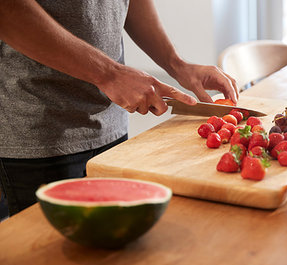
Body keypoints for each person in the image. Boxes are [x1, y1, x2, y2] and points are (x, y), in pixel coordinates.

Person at [0, 0, 239, 218]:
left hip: (111, 120)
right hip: (40, 131)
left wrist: (177, 65)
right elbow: (8, 10)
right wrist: (109, 75)